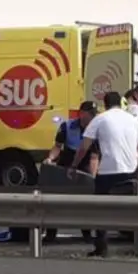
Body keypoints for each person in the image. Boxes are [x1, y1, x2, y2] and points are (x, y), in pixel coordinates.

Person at [69, 91, 138, 257]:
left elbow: (84, 146)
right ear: (121, 103)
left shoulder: (101, 119)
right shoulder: (133, 120)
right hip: (130, 171)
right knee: (133, 210)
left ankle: (101, 247)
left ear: (105, 104)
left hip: (109, 172)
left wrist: (73, 166)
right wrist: (137, 174)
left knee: (100, 209)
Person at [41, 100, 99, 243]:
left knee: (84, 202)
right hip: (66, 164)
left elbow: (94, 156)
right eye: (89, 114)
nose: (92, 117)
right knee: (55, 200)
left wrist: (93, 176)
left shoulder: (95, 129)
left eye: (93, 114)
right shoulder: (67, 126)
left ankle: (86, 233)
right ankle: (51, 232)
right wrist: (50, 158)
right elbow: (57, 147)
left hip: (84, 166)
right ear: (82, 113)